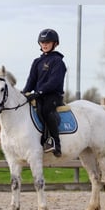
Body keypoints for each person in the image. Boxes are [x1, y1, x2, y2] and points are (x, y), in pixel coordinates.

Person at [23, 28, 67, 157]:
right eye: (42, 42)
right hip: (39, 96)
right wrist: (25, 92)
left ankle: (55, 143)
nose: (45, 44)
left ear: (55, 44)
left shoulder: (58, 62)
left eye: (48, 42)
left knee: (45, 110)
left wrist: (39, 92)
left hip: (53, 96)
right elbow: (31, 80)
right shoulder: (37, 62)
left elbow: (54, 82)